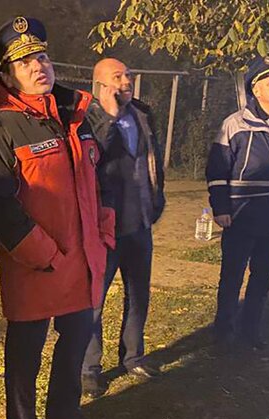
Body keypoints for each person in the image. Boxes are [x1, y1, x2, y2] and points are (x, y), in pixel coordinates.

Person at [0, 16, 115, 419]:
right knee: (26, 352)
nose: (39, 66)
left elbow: (98, 181)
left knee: (75, 341)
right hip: (36, 264)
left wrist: (104, 233)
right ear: (8, 75)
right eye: (26, 62)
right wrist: (43, 253)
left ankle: (64, 414)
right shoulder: (0, 132)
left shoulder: (76, 117)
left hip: (82, 259)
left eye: (43, 57)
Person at [205, 55, 269, 351]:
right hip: (242, 215)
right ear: (256, 89)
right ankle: (223, 334)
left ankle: (250, 332)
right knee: (231, 278)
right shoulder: (235, 124)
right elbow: (218, 169)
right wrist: (221, 208)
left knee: (262, 279)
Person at [81, 57, 166, 398]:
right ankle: (89, 369)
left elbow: (153, 159)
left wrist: (157, 201)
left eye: (128, 75)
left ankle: (133, 357)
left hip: (139, 223)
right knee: (94, 301)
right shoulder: (86, 120)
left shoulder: (142, 115)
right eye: (118, 77)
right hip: (104, 227)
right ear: (100, 85)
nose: (126, 81)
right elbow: (91, 159)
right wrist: (110, 118)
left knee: (139, 295)